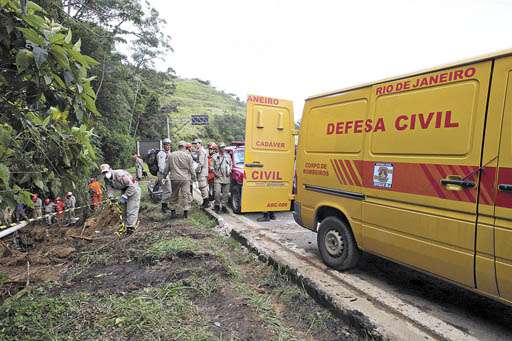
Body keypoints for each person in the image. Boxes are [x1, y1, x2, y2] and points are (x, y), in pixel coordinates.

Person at [100, 163, 141, 235]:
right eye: (104, 172)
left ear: (110, 169)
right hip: (124, 190)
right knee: (124, 210)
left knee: (131, 209)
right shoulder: (106, 179)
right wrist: (111, 197)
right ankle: (125, 227)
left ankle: (131, 228)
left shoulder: (119, 174)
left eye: (106, 171)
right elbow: (109, 189)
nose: (105, 174)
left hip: (133, 189)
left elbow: (131, 186)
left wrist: (125, 196)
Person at [164, 140, 196, 219]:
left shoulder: (171, 155)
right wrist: (194, 177)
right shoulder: (188, 156)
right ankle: (185, 213)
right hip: (185, 179)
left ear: (178, 147)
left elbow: (166, 168)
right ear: (185, 147)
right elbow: (192, 169)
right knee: (185, 195)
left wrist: (164, 176)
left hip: (174, 178)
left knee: (174, 194)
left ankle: (173, 211)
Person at [212, 142, 232, 213]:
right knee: (217, 193)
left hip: (226, 177)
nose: (222, 148)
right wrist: (215, 173)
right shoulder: (214, 156)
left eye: (223, 147)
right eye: (221, 147)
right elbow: (211, 167)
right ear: (219, 148)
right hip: (218, 177)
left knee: (225, 194)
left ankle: (224, 206)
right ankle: (217, 206)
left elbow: (230, 165)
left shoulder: (228, 156)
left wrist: (230, 171)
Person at [193, 138, 209, 208]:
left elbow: (201, 163)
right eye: (195, 144)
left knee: (203, 187)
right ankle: (205, 201)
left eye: (196, 144)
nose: (195, 145)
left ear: (200, 144)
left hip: (202, 172)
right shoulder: (200, 151)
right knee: (202, 187)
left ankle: (206, 203)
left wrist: (196, 170)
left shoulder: (201, 151)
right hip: (202, 172)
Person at [157, 138, 172, 213]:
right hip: (163, 175)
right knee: (168, 191)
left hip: (167, 174)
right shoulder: (161, 154)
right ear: (163, 145)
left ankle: (165, 205)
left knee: (166, 191)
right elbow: (161, 166)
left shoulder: (169, 153)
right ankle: (164, 207)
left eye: (169, 145)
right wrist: (166, 175)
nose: (168, 146)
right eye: (166, 145)